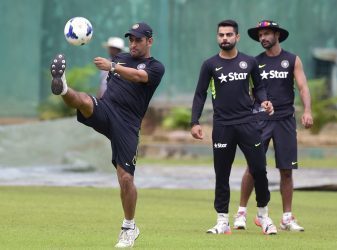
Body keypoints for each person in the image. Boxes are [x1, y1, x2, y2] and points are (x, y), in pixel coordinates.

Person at [50, 22, 165, 248]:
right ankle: (62, 87)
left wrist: (113, 67)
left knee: (125, 178)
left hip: (128, 124)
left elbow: (139, 77)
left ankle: (129, 226)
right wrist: (113, 67)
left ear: (149, 41)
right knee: (83, 100)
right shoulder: (120, 58)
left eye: (138, 39)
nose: (133, 43)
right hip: (107, 108)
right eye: (131, 39)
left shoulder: (156, 66)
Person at [191, 19, 277, 235]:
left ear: (237, 37)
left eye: (229, 35)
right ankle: (222, 221)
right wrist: (194, 121)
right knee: (222, 174)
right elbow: (200, 94)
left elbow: (260, 88)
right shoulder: (209, 64)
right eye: (221, 35)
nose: (225, 38)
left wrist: (265, 101)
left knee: (259, 170)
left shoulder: (249, 62)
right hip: (222, 126)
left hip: (248, 124)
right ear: (217, 37)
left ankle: (263, 216)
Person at [233, 20, 313, 232]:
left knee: (286, 170)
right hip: (260, 120)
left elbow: (303, 87)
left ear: (277, 35)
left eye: (267, 34)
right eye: (260, 35)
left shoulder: (292, 60)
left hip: (285, 120)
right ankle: (241, 213)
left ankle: (287, 218)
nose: (263, 38)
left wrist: (307, 110)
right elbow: (248, 93)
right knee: (253, 166)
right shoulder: (253, 62)